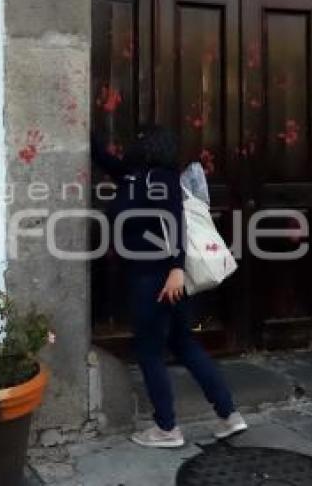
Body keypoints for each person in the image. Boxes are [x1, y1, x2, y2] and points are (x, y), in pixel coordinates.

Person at [91, 126, 247, 448]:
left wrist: (176, 268)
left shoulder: (162, 180)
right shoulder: (134, 177)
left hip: (156, 278)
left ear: (150, 146)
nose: (135, 143)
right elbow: (103, 157)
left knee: (149, 351)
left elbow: (175, 221)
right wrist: (80, 123)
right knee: (183, 343)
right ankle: (229, 415)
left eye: (141, 139)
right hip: (154, 277)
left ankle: (166, 428)